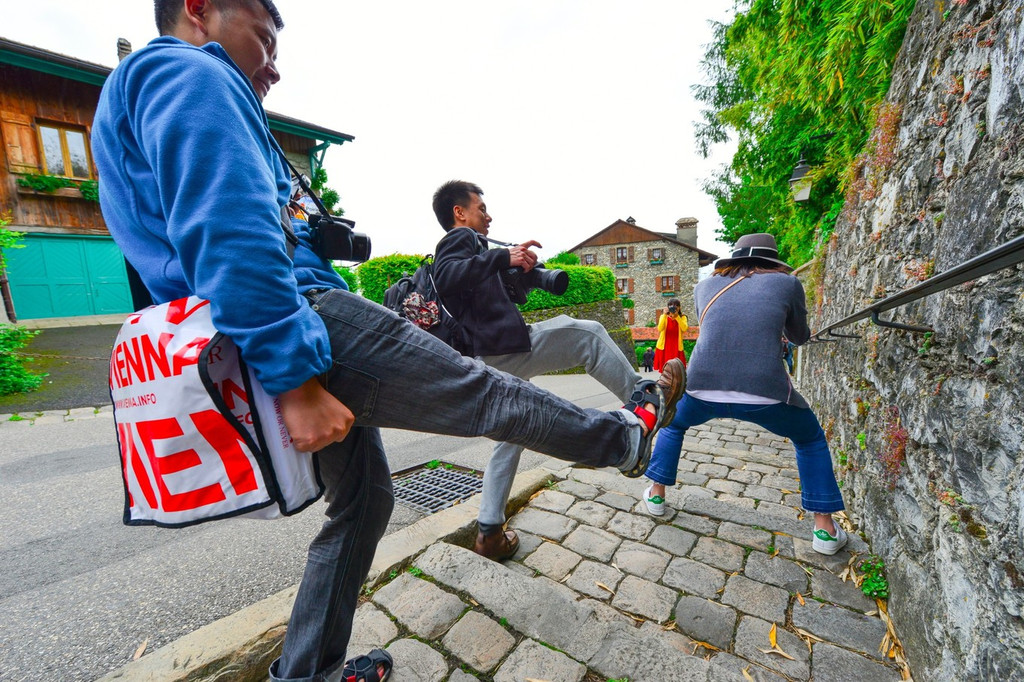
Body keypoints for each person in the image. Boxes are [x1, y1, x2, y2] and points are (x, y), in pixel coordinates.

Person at [91, 3, 685, 680]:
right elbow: (226, 229)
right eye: (264, 37)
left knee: (366, 500)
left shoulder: (137, 95)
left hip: (267, 319)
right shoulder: (186, 70)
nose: (274, 66)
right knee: (484, 394)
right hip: (302, 315)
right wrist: (295, 379)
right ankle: (628, 439)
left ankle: (309, 670)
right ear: (199, 8)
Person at [429, 180, 683, 561]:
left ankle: (489, 532)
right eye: (481, 208)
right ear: (459, 213)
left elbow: (489, 294)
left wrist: (522, 271)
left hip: (486, 354)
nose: (489, 215)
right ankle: (647, 401)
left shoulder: (477, 251)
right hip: (500, 349)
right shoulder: (459, 240)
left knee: (509, 434)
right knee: (589, 335)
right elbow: (447, 276)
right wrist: (503, 258)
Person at [642, 233, 848, 556]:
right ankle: (824, 529)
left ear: (734, 258)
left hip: (701, 385)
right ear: (772, 260)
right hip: (765, 391)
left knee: (674, 422)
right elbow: (799, 336)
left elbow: (717, 325)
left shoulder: (704, 287)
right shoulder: (788, 284)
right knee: (809, 438)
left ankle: (656, 495)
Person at [654, 298, 688, 370]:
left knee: (677, 368)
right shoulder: (664, 317)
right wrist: (664, 315)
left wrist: (677, 317)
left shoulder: (682, 317)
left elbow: (684, 328)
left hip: (676, 346)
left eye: (676, 306)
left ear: (679, 307)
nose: (674, 307)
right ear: (668, 307)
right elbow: (660, 328)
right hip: (665, 346)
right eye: (671, 306)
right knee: (665, 368)